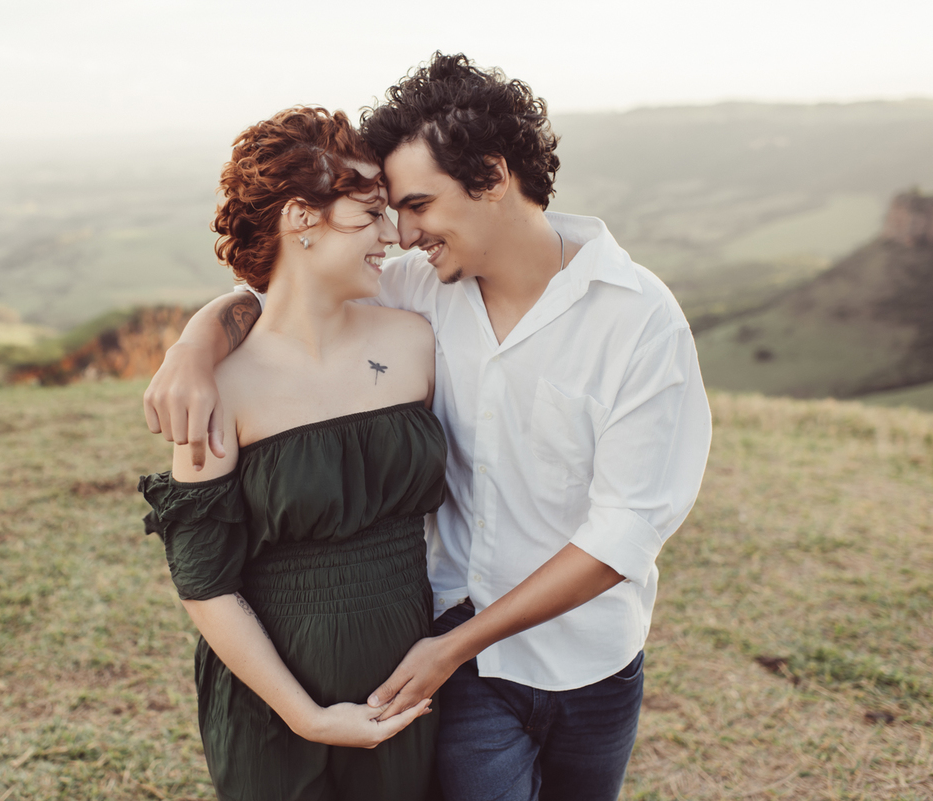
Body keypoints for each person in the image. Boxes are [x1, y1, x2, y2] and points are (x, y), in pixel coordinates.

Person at [143, 54, 713, 801]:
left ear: (492, 175)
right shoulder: (422, 287)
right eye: (387, 210)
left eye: (416, 203)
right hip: (453, 663)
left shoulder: (637, 318)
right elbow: (277, 288)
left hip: (586, 658)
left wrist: (453, 646)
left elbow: (625, 532)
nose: (403, 233)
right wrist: (194, 348)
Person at [138, 106, 447, 801]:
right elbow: (205, 583)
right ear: (302, 218)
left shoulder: (414, 341)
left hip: (409, 673)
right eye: (369, 213)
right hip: (275, 698)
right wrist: (306, 716)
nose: (393, 234)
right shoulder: (221, 385)